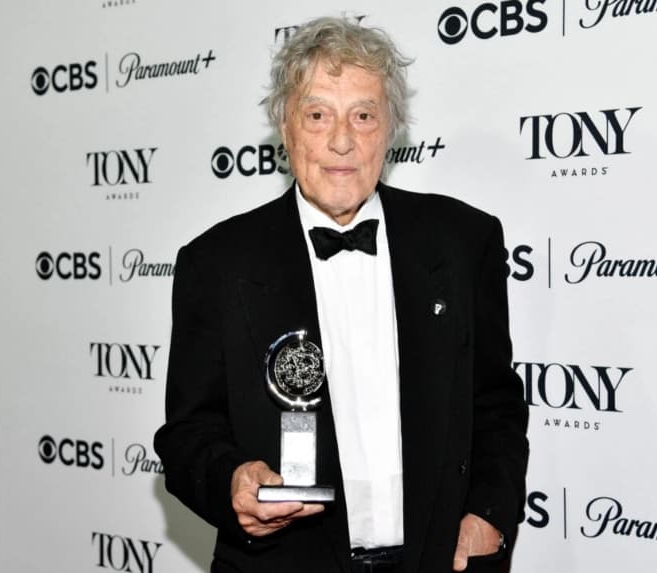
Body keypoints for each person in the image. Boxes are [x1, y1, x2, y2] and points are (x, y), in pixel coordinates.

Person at [154, 16, 529, 573]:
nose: (341, 140)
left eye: (363, 114)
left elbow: (496, 402)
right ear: (286, 127)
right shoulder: (218, 262)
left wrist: (488, 519)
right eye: (317, 114)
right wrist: (231, 479)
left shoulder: (462, 242)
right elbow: (187, 434)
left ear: (391, 128)